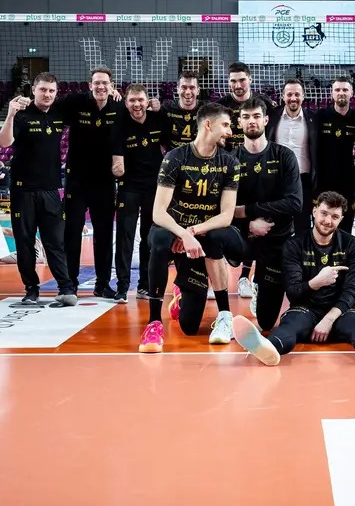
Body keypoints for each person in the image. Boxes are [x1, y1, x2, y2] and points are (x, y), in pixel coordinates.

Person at [230, 192, 355, 366]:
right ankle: (267, 348)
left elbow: (353, 290)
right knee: (289, 328)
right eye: (324, 213)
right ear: (314, 211)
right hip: (305, 309)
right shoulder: (295, 244)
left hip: (340, 311)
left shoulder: (351, 244)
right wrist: (317, 282)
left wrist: (329, 319)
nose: (328, 221)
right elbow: (293, 292)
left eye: (335, 216)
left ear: (341, 219)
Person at [139, 103, 245, 353]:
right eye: (225, 125)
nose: (230, 131)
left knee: (189, 325)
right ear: (208, 125)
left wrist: (193, 232)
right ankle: (154, 323)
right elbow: (158, 213)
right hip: (176, 231)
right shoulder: (175, 158)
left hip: (204, 236)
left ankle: (220, 312)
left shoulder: (229, 162)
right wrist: (182, 233)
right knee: (160, 240)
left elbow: (226, 216)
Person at [0, 74, 76, 306]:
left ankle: (66, 288)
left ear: (56, 92)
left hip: (51, 190)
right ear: (33, 90)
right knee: (25, 242)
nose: (47, 94)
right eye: (43, 89)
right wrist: (10, 114)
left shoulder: (59, 113)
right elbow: (4, 142)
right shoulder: (21, 113)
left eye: (51, 90)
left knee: (55, 242)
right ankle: (31, 289)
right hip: (23, 190)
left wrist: (111, 93)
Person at [231, 97, 302, 330]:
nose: (251, 121)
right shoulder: (230, 159)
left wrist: (249, 211)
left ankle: (259, 283)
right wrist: (249, 224)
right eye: (246, 117)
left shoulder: (284, 156)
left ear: (266, 120)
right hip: (241, 235)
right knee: (213, 238)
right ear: (239, 122)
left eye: (256, 116)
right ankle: (219, 308)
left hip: (277, 238)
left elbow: (294, 203)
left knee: (266, 321)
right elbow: (222, 207)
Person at [60, 66, 123, 299]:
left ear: (111, 85)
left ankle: (102, 284)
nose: (100, 87)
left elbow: (139, 112)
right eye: (97, 83)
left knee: (104, 233)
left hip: (104, 181)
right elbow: (49, 106)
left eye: (105, 83)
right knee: (72, 232)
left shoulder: (118, 106)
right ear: (90, 85)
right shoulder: (76, 102)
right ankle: (70, 283)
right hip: (77, 181)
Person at [218, 62, 275, 298]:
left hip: (257, 170)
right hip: (227, 170)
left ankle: (246, 278)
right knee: (222, 223)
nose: (237, 85)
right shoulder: (221, 106)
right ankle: (216, 277)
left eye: (241, 80)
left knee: (256, 224)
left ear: (249, 80)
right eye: (233, 81)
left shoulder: (263, 103)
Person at [111, 84, 168, 303]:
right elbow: (117, 163)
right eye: (132, 100)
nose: (137, 105)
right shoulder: (120, 124)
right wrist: (117, 167)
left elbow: (170, 144)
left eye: (141, 100)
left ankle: (145, 285)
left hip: (154, 188)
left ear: (147, 101)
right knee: (124, 237)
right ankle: (122, 287)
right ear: (126, 103)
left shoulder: (157, 120)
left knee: (148, 238)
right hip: (129, 188)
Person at [312, 76, 355, 233]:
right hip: (323, 179)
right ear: (332, 93)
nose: (341, 93)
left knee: (346, 224)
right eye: (337, 90)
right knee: (322, 224)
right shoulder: (320, 116)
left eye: (345, 90)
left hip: (347, 179)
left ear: (351, 93)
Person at [267, 79, 316, 239]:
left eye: (297, 94)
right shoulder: (271, 117)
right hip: (276, 180)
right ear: (282, 96)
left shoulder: (314, 119)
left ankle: (301, 254)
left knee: (303, 226)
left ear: (303, 96)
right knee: (276, 225)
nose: (293, 98)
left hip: (304, 182)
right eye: (289, 94)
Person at [163, 72, 201, 149]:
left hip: (197, 155)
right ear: (178, 89)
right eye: (184, 87)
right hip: (173, 155)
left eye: (192, 88)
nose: (187, 92)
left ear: (198, 91)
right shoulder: (167, 108)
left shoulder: (206, 109)